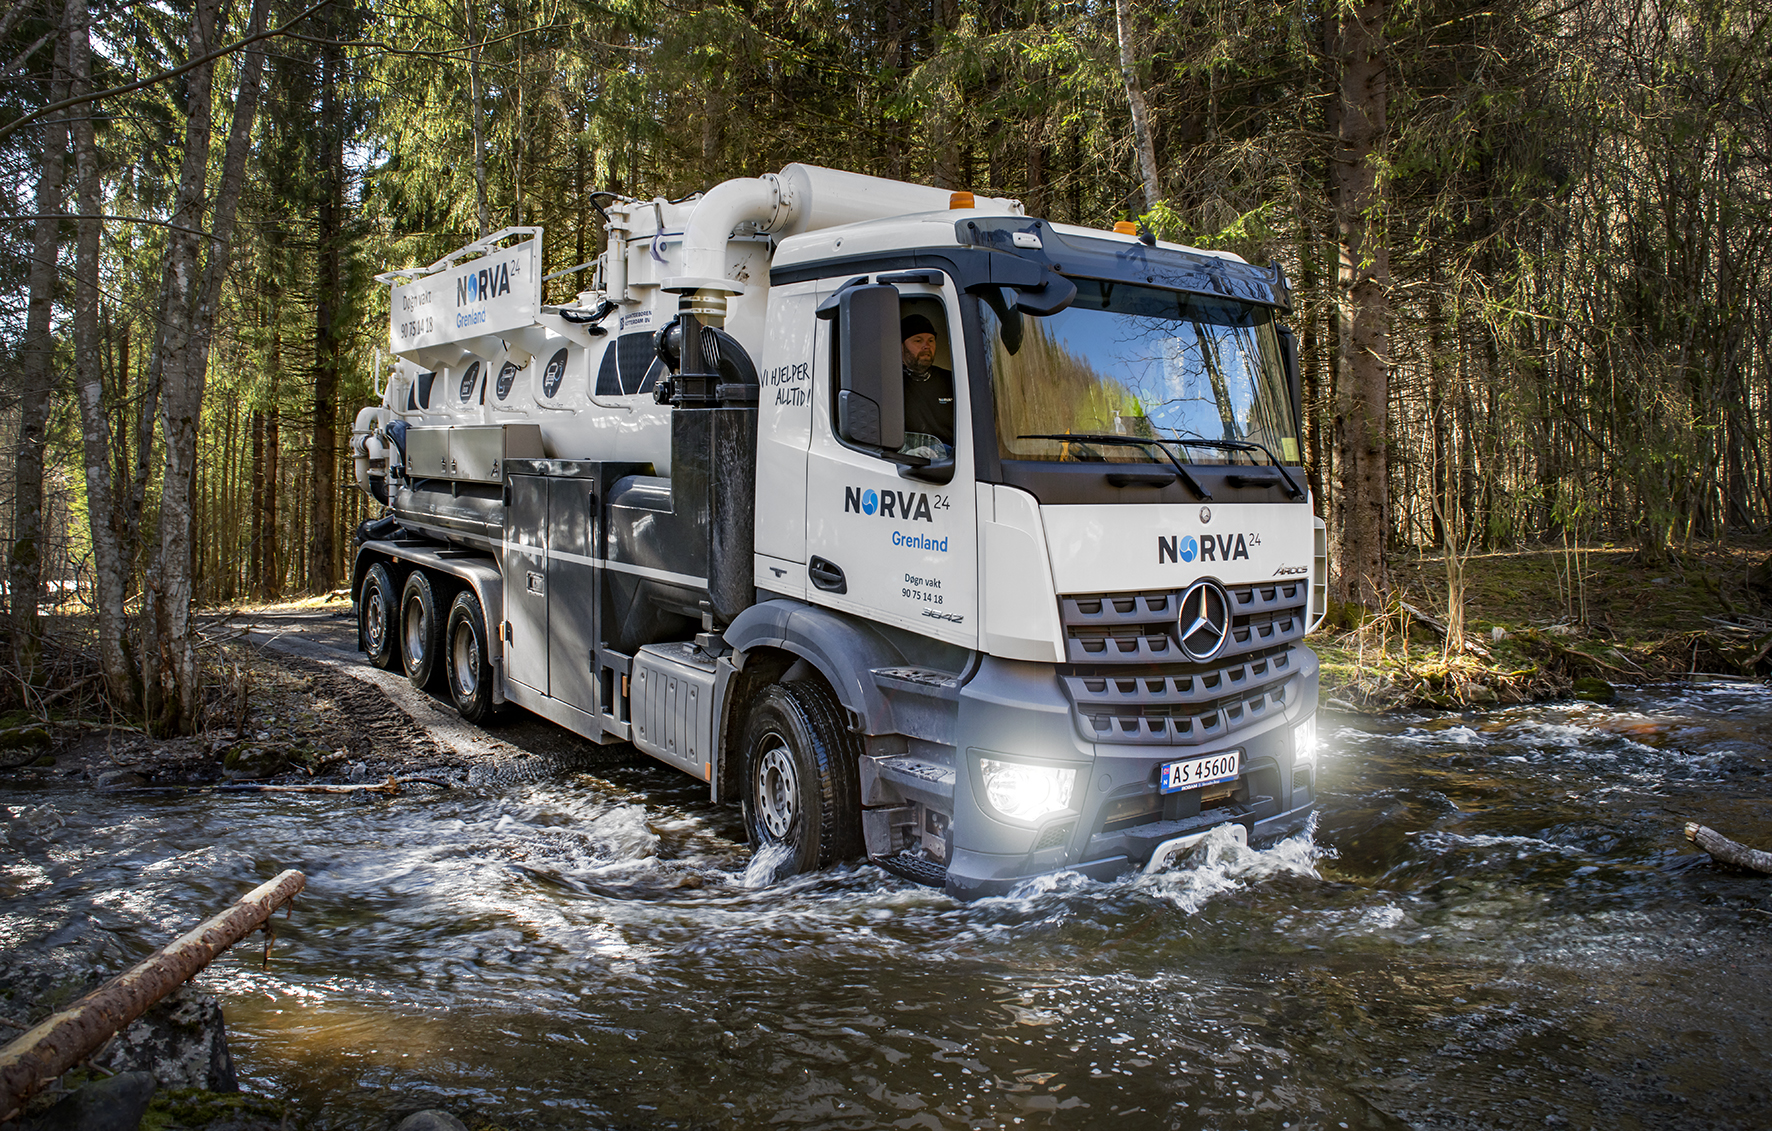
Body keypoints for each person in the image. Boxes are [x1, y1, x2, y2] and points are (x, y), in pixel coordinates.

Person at [900, 314, 955, 458]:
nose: (926, 346)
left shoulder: (952, 380)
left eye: (931, 340)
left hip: (954, 464)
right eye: (918, 341)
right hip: (909, 467)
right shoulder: (890, 383)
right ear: (901, 346)